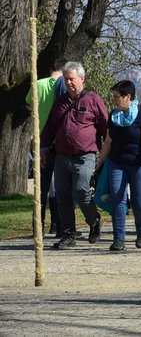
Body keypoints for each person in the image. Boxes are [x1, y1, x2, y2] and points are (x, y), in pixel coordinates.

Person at [40, 61, 108, 249]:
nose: (68, 83)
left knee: (81, 191)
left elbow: (105, 127)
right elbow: (49, 128)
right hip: (62, 156)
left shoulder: (93, 100)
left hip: (85, 156)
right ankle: (68, 234)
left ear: (81, 79)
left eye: (71, 79)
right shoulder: (60, 102)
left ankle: (94, 221)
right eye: (66, 79)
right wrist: (44, 148)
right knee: (62, 196)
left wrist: (107, 152)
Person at [96, 80, 141, 251]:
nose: (114, 99)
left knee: (139, 201)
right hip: (117, 163)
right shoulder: (113, 116)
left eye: (117, 97)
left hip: (139, 165)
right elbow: (108, 141)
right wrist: (100, 161)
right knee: (118, 199)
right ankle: (119, 239)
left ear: (127, 97)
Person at [26, 58, 65, 236]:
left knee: (41, 185)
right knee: (58, 185)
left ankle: (37, 226)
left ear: (51, 68)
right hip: (58, 139)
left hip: (40, 138)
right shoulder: (64, 86)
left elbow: (29, 103)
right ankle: (57, 225)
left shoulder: (38, 84)